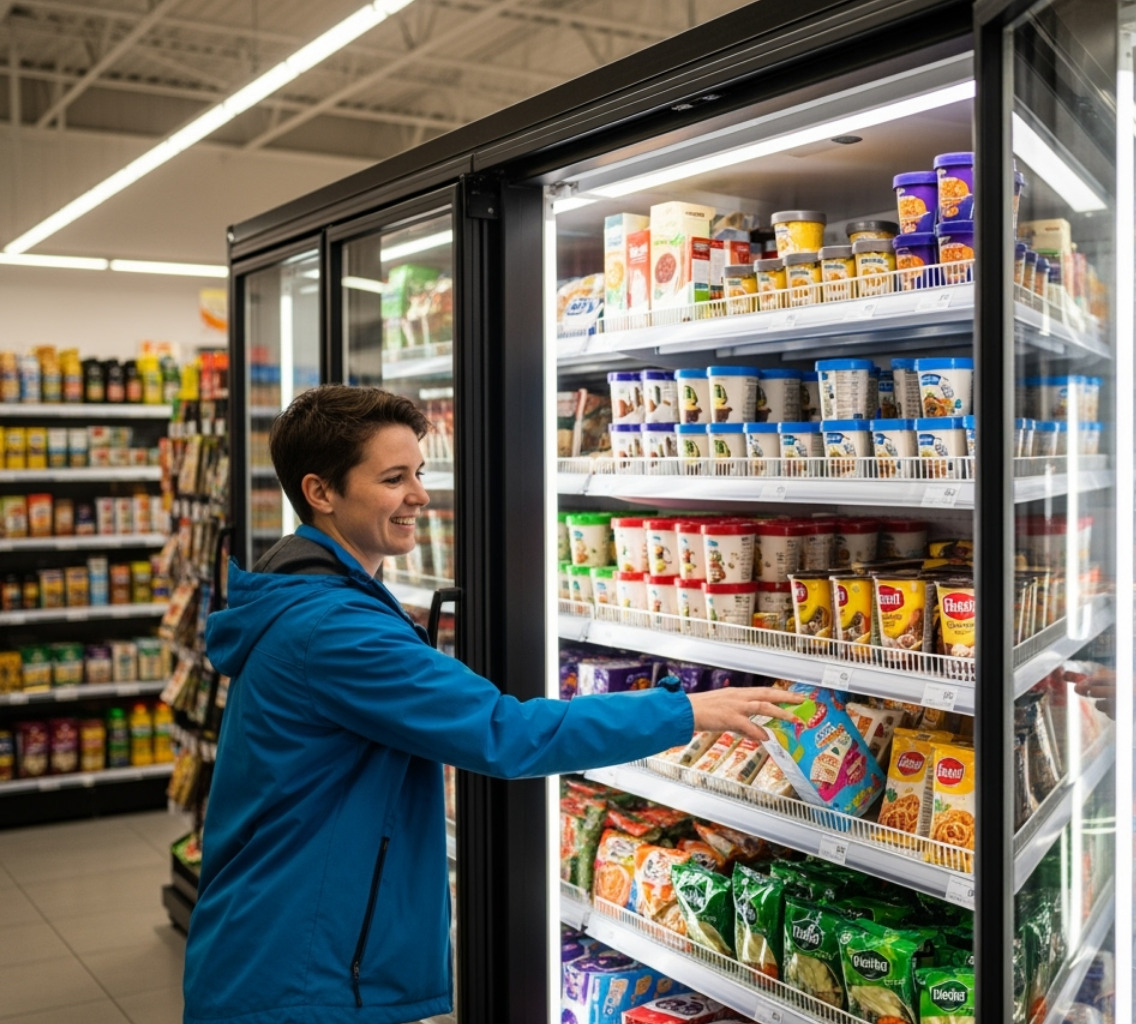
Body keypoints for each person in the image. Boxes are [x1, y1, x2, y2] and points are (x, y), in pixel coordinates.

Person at [182, 385, 796, 1024]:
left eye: (418, 472)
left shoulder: (313, 596)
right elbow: (506, 734)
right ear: (321, 492)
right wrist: (685, 712)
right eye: (394, 478)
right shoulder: (335, 629)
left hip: (289, 943)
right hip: (301, 972)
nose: (419, 494)